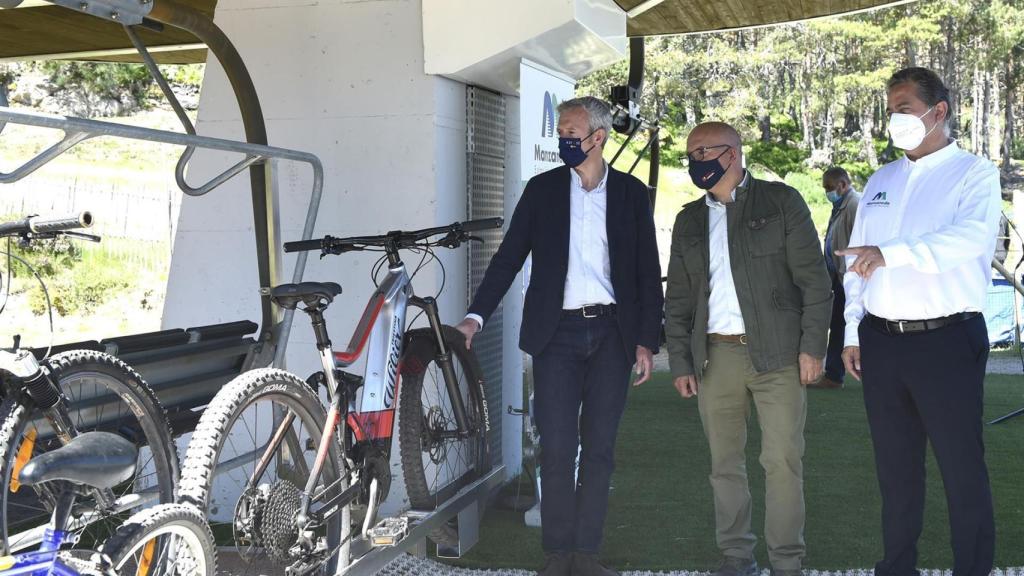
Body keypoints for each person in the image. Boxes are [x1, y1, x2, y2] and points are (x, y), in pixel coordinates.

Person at [456, 96, 663, 576]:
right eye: (561, 134)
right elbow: (508, 258)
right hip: (556, 335)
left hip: (613, 334)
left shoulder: (631, 194)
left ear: (599, 137)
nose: (565, 141)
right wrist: (475, 317)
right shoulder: (543, 190)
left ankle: (586, 555)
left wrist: (646, 341)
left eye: (573, 133)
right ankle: (556, 555)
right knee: (556, 446)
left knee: (600, 447)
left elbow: (647, 273)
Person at [839, 66, 1000, 576]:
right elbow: (854, 264)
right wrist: (851, 329)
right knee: (895, 469)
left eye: (904, 108)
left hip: (947, 340)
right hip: (882, 341)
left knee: (961, 468)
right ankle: (897, 567)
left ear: (940, 112)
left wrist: (893, 253)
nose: (895, 120)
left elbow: (969, 240)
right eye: (890, 111)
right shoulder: (881, 180)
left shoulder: (975, 173)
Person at [664, 122, 831, 576]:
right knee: (724, 464)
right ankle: (736, 557)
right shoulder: (689, 220)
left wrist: (813, 347)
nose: (695, 159)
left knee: (782, 461)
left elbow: (815, 281)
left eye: (704, 150)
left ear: (733, 153)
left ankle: (786, 563)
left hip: (778, 355)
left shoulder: (781, 202)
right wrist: (680, 360)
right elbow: (677, 298)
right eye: (690, 152)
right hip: (715, 359)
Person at [808, 167, 861, 389]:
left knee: (841, 324)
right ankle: (833, 372)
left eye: (829, 188)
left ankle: (834, 374)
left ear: (842, 184)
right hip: (838, 276)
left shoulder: (854, 204)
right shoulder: (840, 206)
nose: (827, 192)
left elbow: (860, 240)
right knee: (836, 323)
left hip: (850, 277)